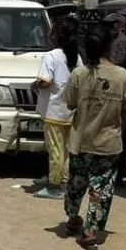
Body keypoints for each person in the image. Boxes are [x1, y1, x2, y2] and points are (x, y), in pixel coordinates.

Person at [62, 26, 126, 250]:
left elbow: (70, 102)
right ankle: (90, 232)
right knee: (101, 189)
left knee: (76, 183)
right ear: (110, 46)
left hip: (80, 141)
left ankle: (73, 217)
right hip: (108, 143)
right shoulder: (122, 75)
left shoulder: (79, 73)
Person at [32, 18, 81, 199]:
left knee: (55, 150)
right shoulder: (77, 56)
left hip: (54, 110)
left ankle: (54, 186)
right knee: (66, 150)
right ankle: (64, 181)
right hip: (70, 110)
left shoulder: (51, 55)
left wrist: (34, 85)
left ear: (56, 36)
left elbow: (45, 81)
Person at [102, 13, 126, 186]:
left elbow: (112, 67)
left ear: (119, 26)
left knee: (119, 135)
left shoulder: (121, 43)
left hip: (122, 97)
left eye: (111, 25)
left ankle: (116, 173)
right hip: (121, 96)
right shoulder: (115, 42)